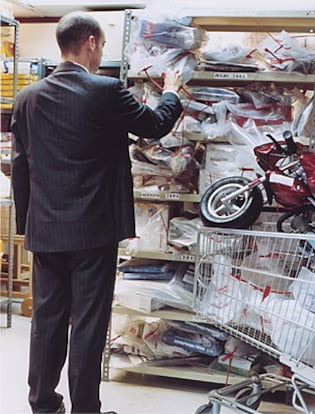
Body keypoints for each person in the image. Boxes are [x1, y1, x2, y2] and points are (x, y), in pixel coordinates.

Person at [11, 11, 183, 414]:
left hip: (46, 230)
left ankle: (42, 403)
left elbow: (20, 165)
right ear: (90, 42)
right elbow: (155, 125)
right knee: (88, 323)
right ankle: (85, 407)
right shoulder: (106, 90)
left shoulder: (27, 98)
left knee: (47, 320)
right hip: (93, 231)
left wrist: (27, 226)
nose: (100, 52)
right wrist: (172, 91)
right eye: (102, 46)